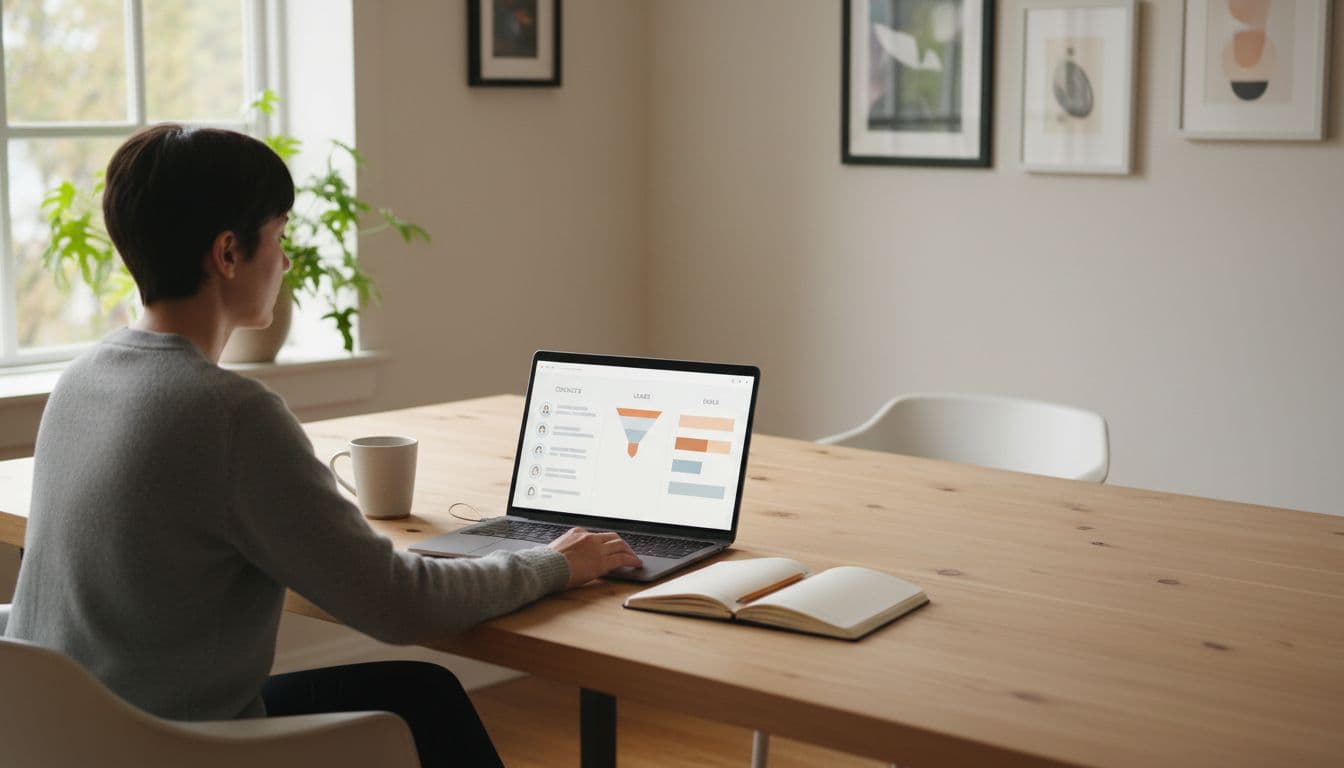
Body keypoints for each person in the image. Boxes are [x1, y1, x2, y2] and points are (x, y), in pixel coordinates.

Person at [3, 124, 641, 766]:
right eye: (279, 238)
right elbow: (400, 605)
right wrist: (557, 563)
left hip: (66, 735)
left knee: (423, 692)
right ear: (227, 253)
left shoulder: (83, 377)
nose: (284, 262)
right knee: (424, 705)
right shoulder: (228, 413)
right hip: (171, 747)